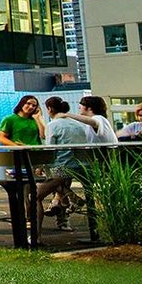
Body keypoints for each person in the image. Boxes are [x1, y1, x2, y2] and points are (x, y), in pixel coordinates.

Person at [37, 96, 93, 231]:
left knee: (38, 194)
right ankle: (62, 204)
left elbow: (51, 149)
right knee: (60, 184)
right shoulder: (79, 124)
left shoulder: (53, 125)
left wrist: (42, 166)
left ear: (49, 109)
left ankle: (35, 234)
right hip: (81, 165)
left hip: (63, 165)